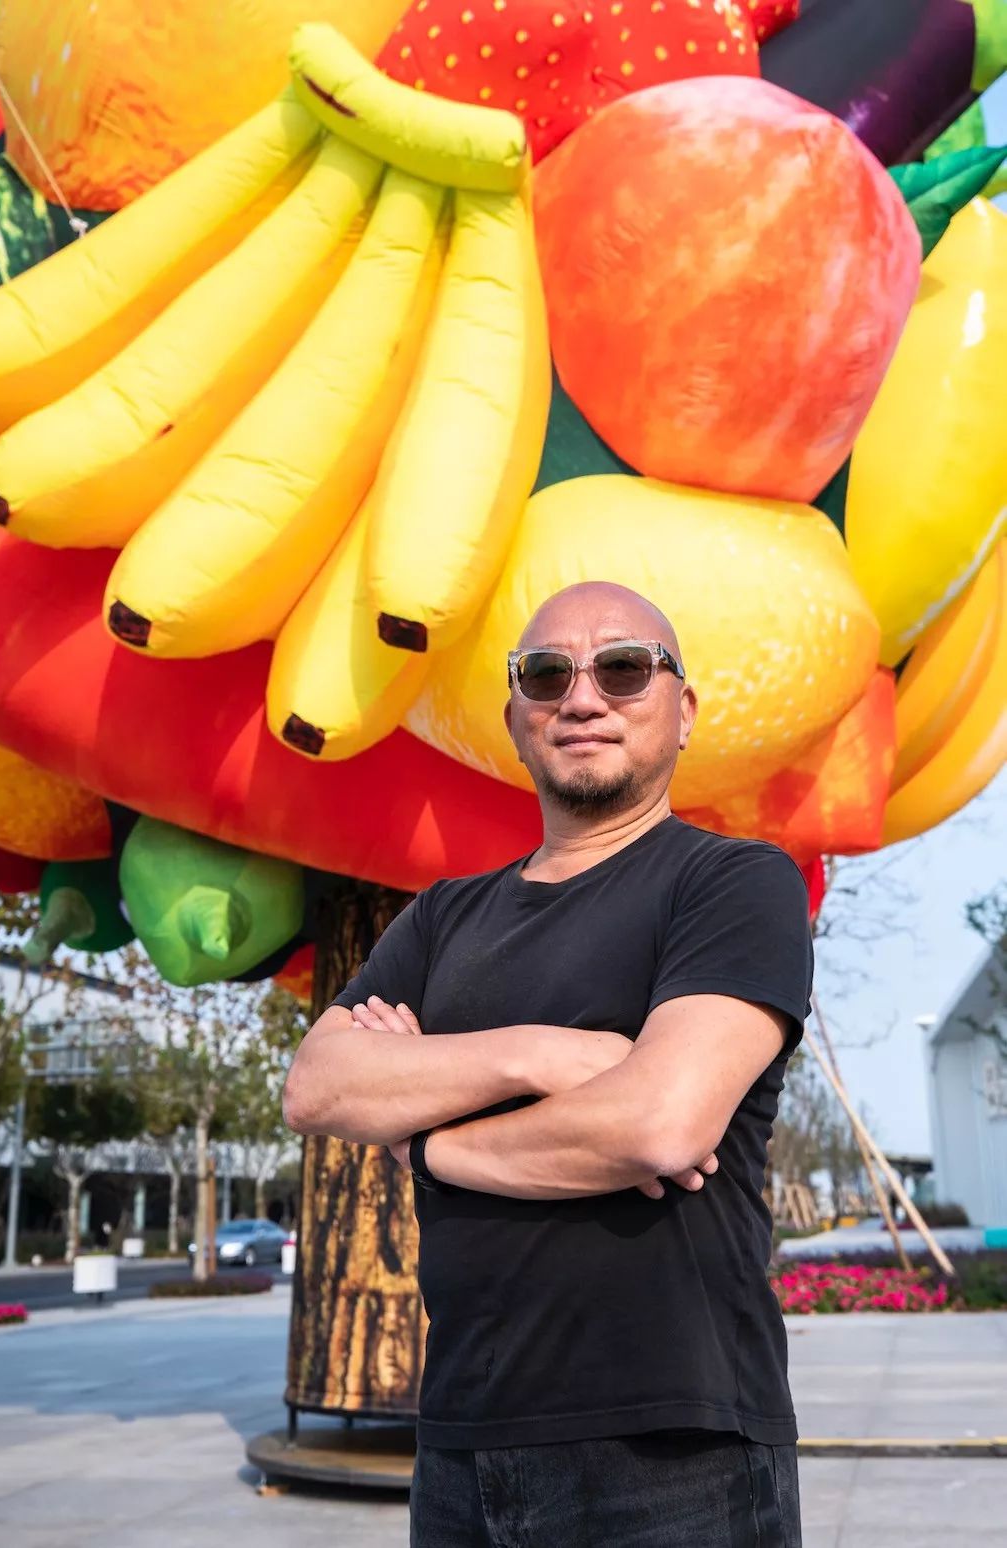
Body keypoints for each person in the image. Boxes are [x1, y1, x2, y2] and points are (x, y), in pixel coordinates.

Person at [283, 581, 813, 1546]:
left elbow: (659, 1124)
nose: (582, 698)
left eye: (623, 669)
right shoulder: (444, 917)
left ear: (682, 709)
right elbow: (319, 1086)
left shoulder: (734, 883)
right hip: (460, 1445)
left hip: (675, 1451)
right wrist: (548, 1054)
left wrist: (425, 1143)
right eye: (545, 674)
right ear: (517, 720)